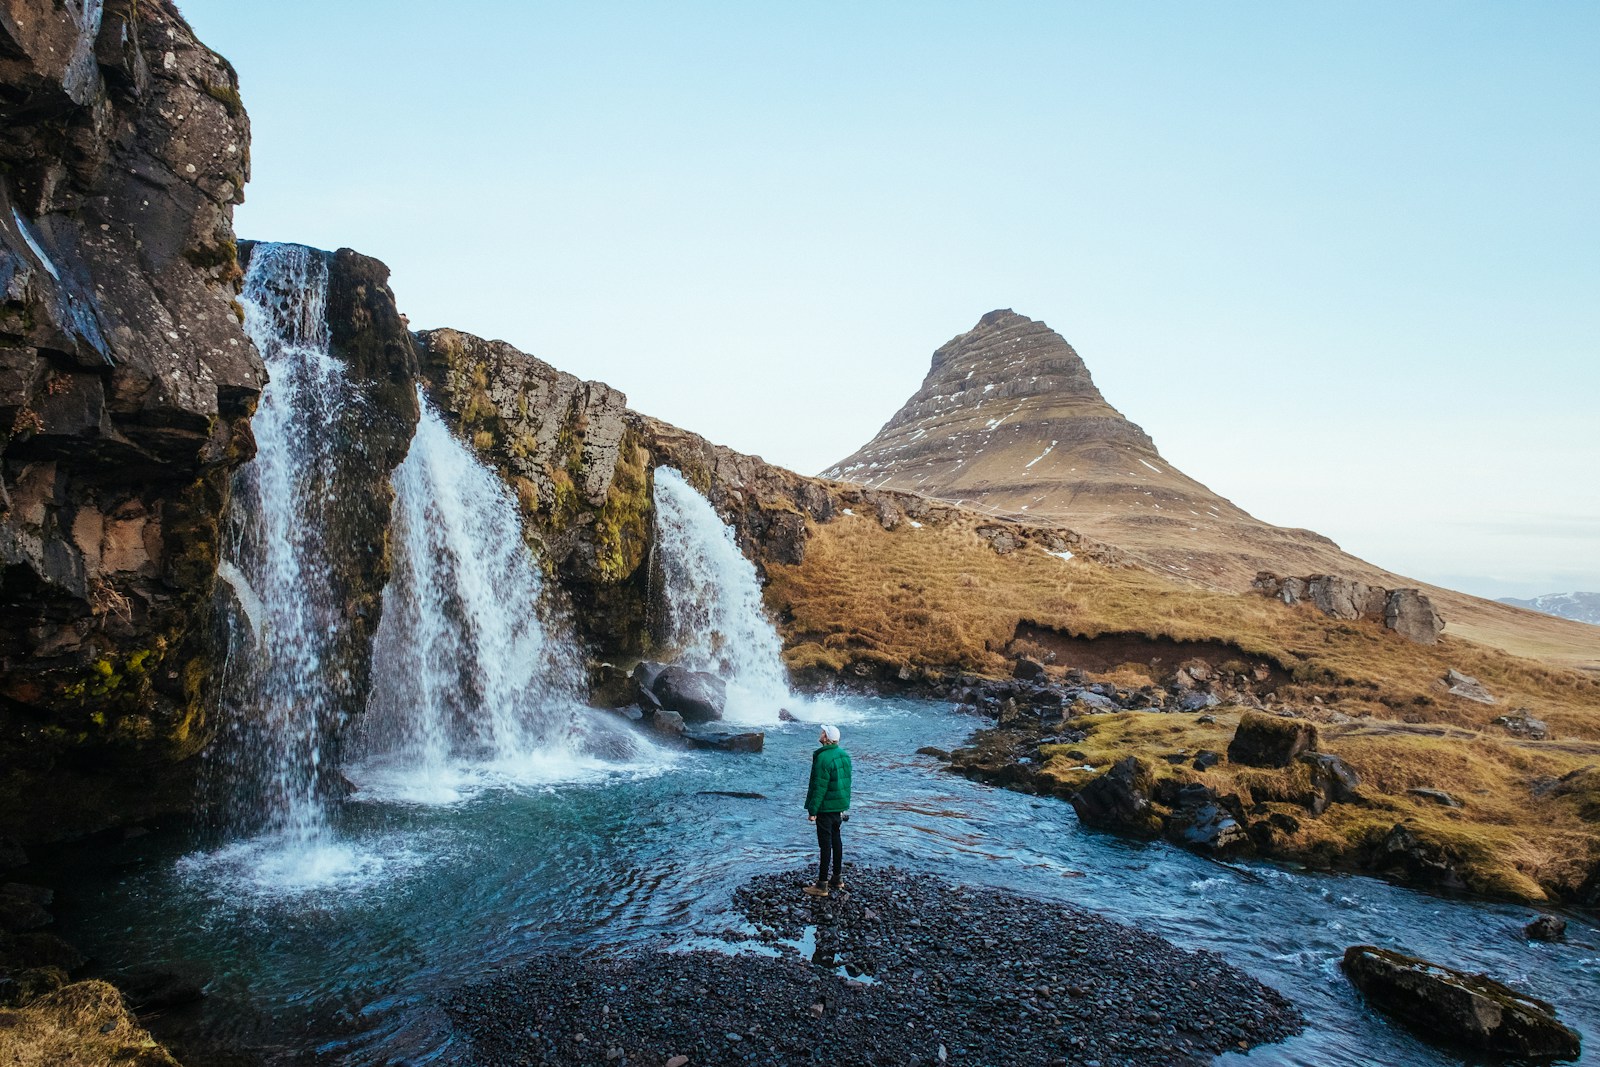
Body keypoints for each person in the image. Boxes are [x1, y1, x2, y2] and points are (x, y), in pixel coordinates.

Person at [803, 723, 852, 897]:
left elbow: (819, 787)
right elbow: (846, 784)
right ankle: (837, 879)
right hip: (839, 806)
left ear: (827, 738)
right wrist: (844, 805)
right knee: (836, 841)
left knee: (825, 845)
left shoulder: (823, 758)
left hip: (825, 808)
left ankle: (822, 884)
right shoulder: (845, 756)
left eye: (823, 732)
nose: (820, 733)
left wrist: (813, 811)